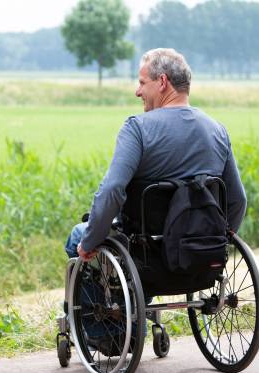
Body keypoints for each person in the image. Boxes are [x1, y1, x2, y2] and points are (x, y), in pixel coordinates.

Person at [66, 48, 246, 263]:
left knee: (78, 235)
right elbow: (237, 200)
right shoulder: (218, 131)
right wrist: (218, 238)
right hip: (197, 251)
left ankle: (98, 298)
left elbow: (112, 190)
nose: (137, 92)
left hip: (146, 253)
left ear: (162, 82)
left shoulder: (138, 128)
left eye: (142, 83)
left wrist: (89, 242)